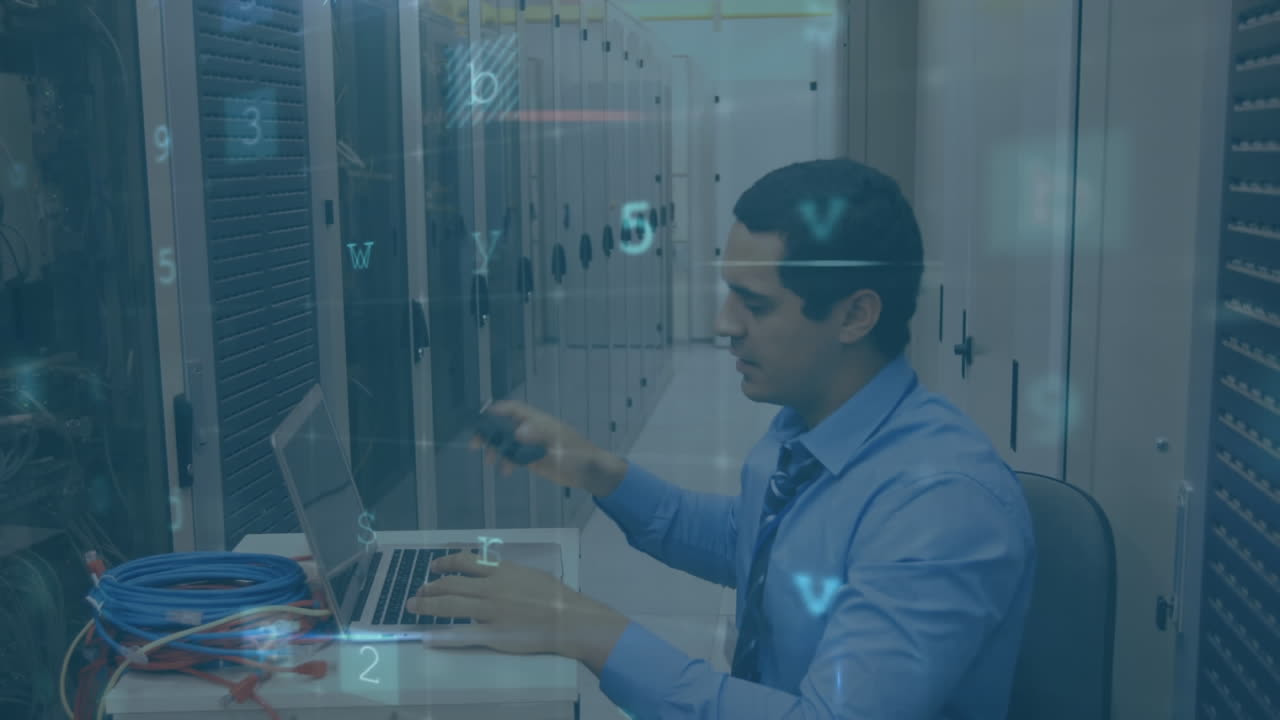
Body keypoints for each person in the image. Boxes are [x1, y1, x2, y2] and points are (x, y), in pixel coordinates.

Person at [407, 158, 1036, 719]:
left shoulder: (941, 505)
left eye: (754, 305)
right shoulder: (808, 421)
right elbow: (753, 544)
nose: (722, 325)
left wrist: (581, 627)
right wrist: (593, 469)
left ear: (854, 315)